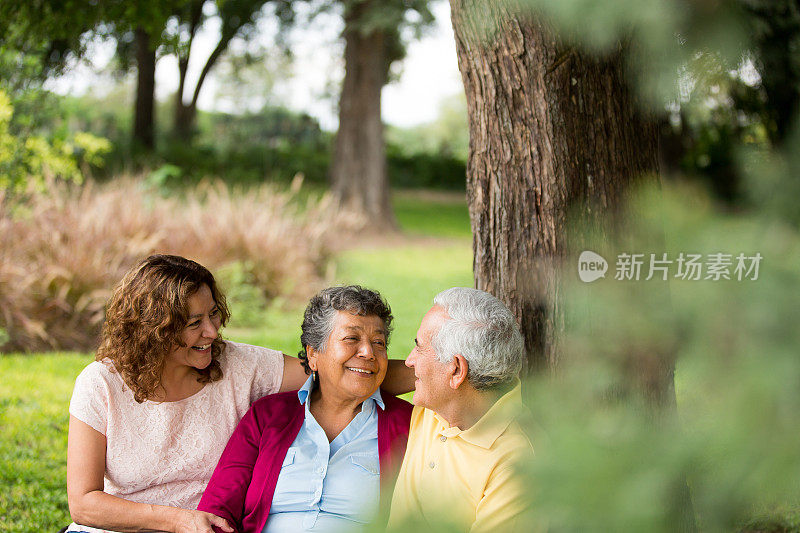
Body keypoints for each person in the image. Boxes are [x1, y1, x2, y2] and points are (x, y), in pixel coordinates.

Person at [66, 256, 413, 533]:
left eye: (214, 314)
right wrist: (176, 521)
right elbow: (84, 503)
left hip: (207, 526)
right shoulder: (101, 384)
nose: (212, 331)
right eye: (194, 323)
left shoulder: (239, 364)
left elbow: (334, 371)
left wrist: (438, 374)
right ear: (155, 329)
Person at [198, 285, 413, 532]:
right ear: (313, 354)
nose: (368, 352)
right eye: (352, 339)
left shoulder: (406, 424)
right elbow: (217, 510)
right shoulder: (267, 415)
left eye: (379, 342)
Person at [387, 287, 535, 532]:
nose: (409, 360)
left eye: (420, 347)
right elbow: (349, 377)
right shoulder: (438, 404)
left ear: (456, 370)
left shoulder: (517, 464)